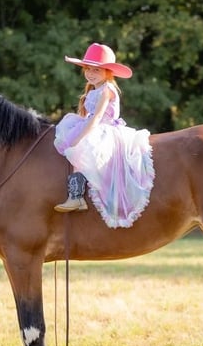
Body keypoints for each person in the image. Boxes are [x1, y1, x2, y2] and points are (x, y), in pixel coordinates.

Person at [53, 43, 155, 229]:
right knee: (69, 142)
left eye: (97, 70)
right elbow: (89, 116)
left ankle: (76, 196)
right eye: (88, 69)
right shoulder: (93, 89)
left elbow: (98, 117)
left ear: (108, 72)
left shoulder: (107, 89)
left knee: (80, 149)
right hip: (91, 125)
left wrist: (80, 138)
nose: (91, 73)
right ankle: (74, 193)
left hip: (103, 129)